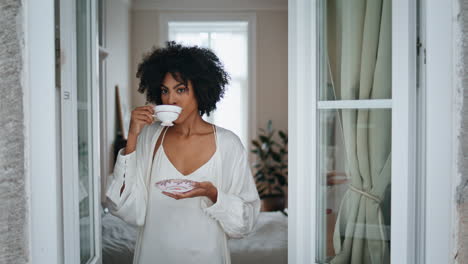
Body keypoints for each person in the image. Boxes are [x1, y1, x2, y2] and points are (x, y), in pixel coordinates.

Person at [105, 41, 261, 264]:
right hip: (154, 255)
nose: (171, 100)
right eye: (164, 91)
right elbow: (125, 207)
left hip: (208, 257)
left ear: (201, 90)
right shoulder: (150, 138)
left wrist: (213, 194)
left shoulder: (228, 145)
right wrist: (132, 137)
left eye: (181, 90)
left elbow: (245, 223)